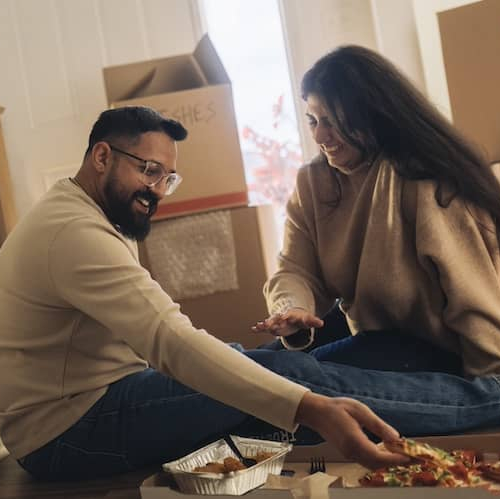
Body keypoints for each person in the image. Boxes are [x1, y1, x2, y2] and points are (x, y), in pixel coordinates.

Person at [0, 105, 406, 481]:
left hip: (91, 405)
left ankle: (420, 389)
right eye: (149, 170)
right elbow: (168, 339)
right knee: (288, 378)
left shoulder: (91, 213)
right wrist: (312, 407)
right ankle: (464, 407)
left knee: (269, 366)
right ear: (102, 157)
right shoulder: (75, 232)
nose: (158, 190)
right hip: (66, 432)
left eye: (167, 178)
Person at [253, 45, 500, 432]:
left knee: (278, 386)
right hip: (373, 335)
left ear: (372, 116)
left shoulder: (425, 183)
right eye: (312, 120)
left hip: (437, 354)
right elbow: (294, 268)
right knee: (248, 372)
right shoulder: (313, 183)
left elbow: (474, 300)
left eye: (331, 121)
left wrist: (487, 394)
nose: (321, 136)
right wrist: (292, 310)